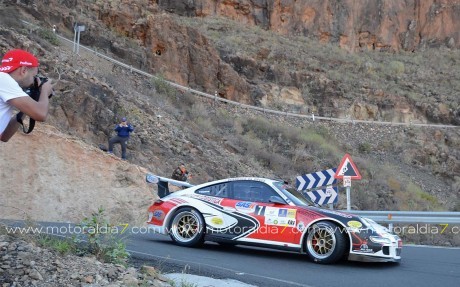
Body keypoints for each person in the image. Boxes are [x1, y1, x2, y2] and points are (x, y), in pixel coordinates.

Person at [0, 49, 53, 142]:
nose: (34, 82)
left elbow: (4, 136)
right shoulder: (4, 79)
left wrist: (26, 109)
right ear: (23, 70)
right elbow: (41, 115)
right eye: (34, 76)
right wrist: (45, 89)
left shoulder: (4, 87)